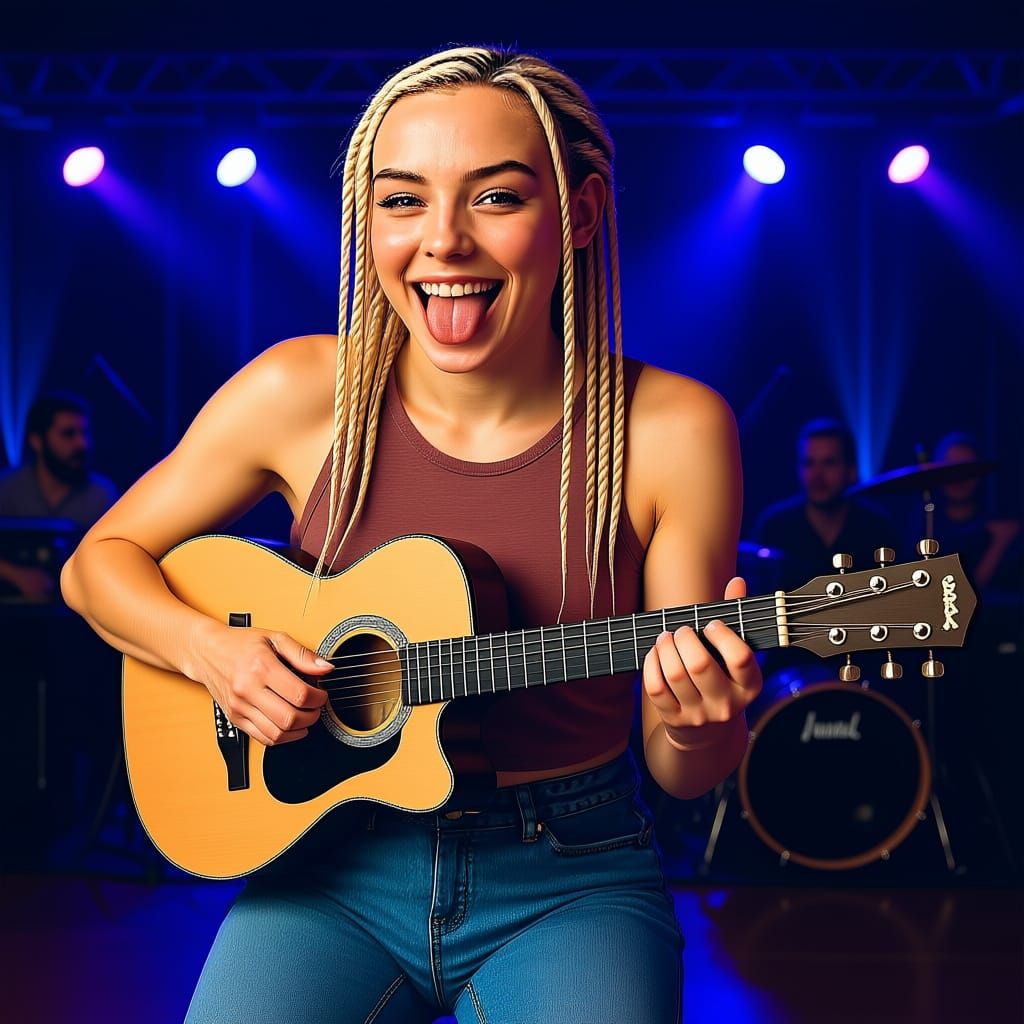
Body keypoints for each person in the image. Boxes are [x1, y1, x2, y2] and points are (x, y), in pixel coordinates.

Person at [61, 47, 762, 1023]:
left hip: (568, 872)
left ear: (582, 215)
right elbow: (98, 564)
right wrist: (213, 653)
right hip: (330, 867)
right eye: (402, 201)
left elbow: (681, 764)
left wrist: (699, 717)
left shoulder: (672, 429)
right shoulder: (301, 392)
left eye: (496, 198)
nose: (442, 242)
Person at [753, 417, 896, 592]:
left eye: (829, 463)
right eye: (809, 463)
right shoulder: (775, 526)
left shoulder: (876, 526)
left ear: (851, 470)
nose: (817, 475)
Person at [0, 391, 118, 601]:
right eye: (68, 434)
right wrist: (17, 575)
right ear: (37, 441)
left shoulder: (101, 494)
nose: (82, 444)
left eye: (84, 433)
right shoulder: (7, 488)